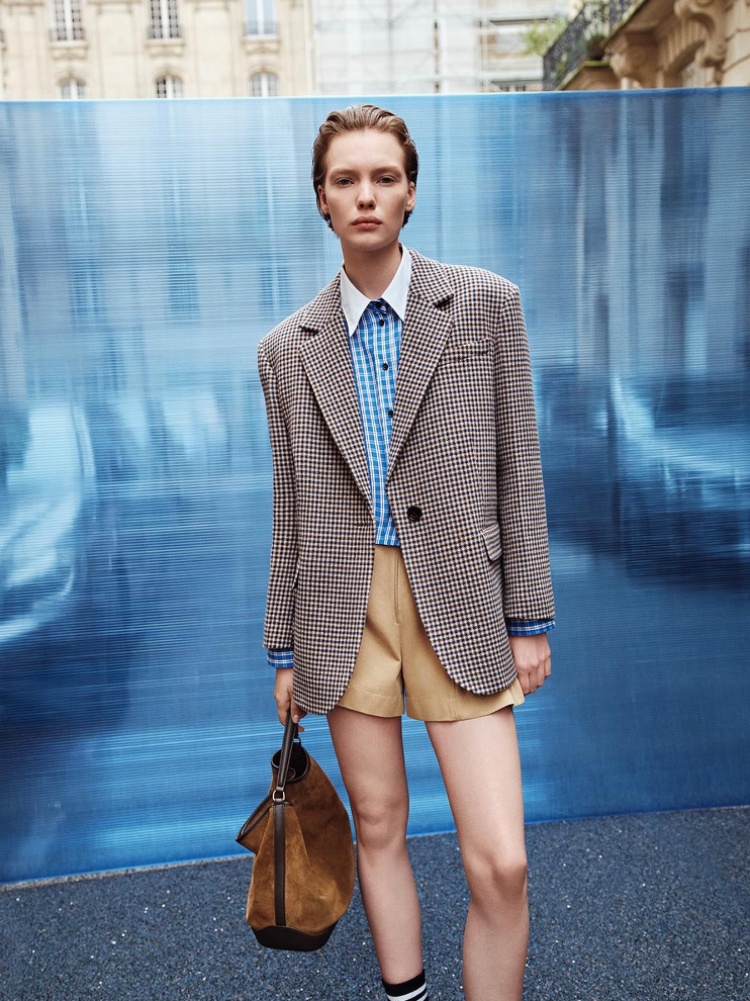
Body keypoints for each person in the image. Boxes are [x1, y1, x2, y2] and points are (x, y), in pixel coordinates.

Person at [257, 104, 555, 1001]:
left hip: (461, 595)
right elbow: (290, 508)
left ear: (411, 191)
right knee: (379, 824)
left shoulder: (486, 303)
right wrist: (283, 649)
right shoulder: (285, 350)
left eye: (383, 177)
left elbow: (520, 467)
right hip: (341, 611)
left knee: (500, 861)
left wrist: (531, 618)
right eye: (345, 179)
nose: (365, 195)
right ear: (321, 199)